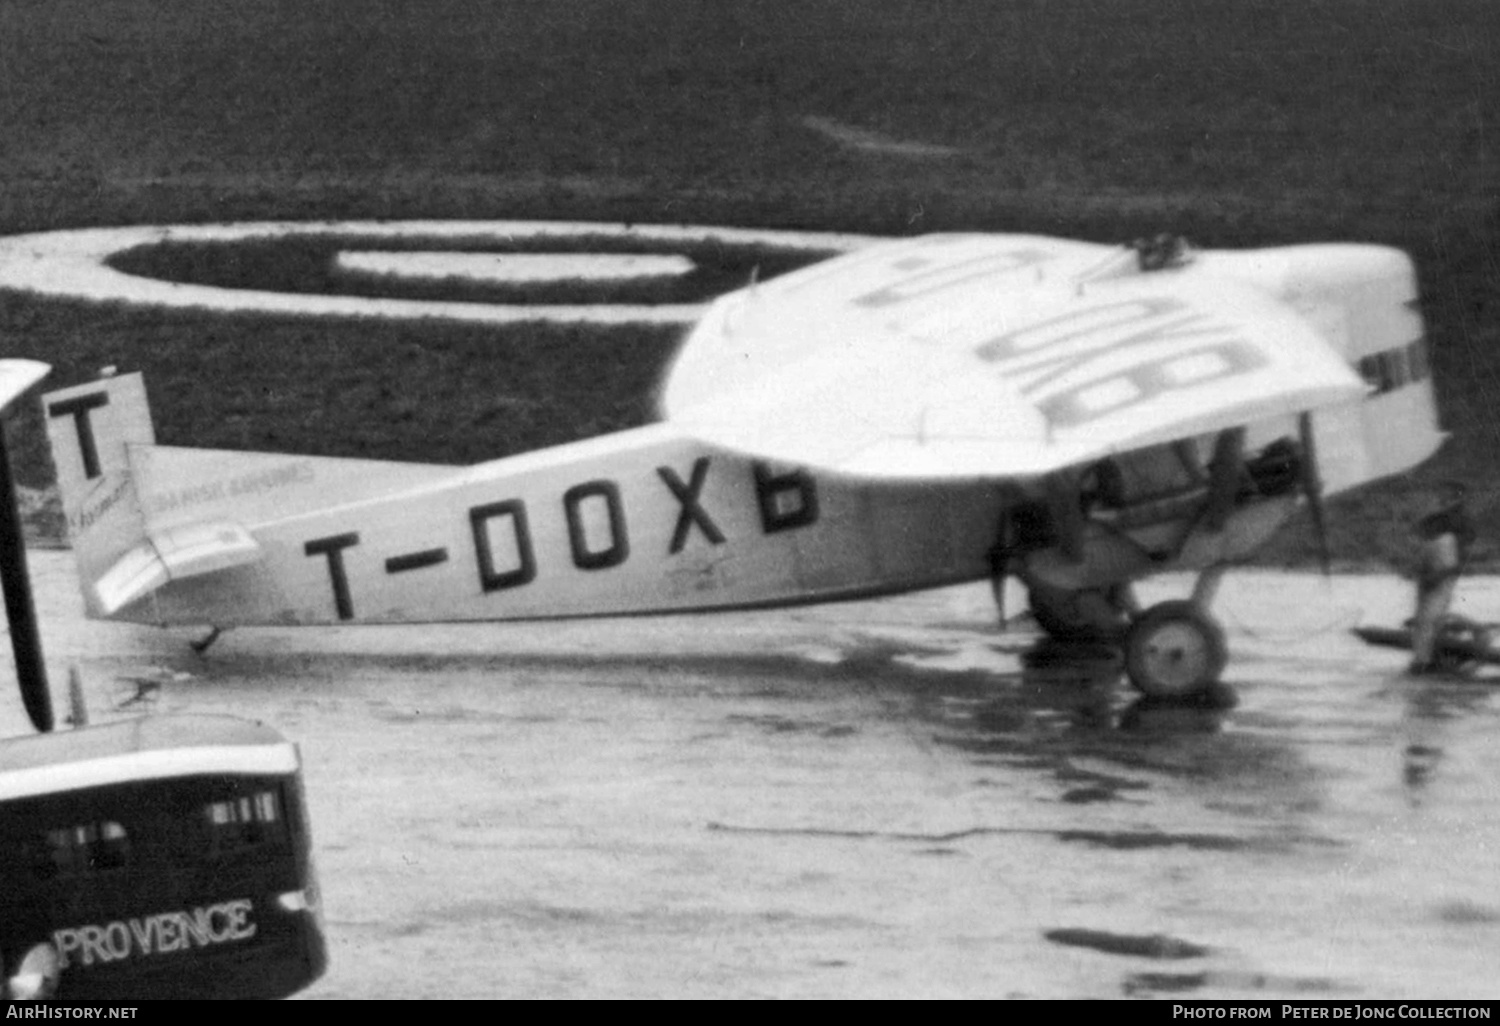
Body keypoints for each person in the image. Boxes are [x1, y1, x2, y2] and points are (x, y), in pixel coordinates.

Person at [1408, 482, 1476, 674]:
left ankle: (1423, 662)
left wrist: (1437, 575)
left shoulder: (1451, 529)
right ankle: (1423, 660)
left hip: (1441, 570)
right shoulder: (1444, 524)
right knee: (1426, 618)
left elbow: (1453, 563)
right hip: (1435, 569)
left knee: (1428, 618)